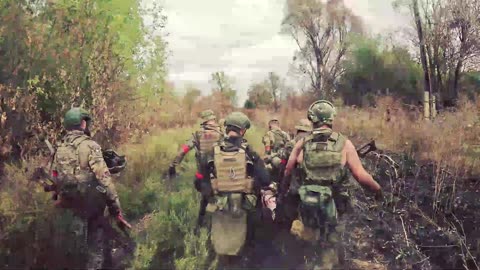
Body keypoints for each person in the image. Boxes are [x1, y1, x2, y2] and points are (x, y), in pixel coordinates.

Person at [284, 100, 383, 269]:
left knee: (308, 241)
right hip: (335, 206)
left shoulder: (302, 143)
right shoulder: (344, 143)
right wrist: (377, 190)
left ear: (312, 119)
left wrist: (285, 193)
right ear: (331, 119)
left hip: (308, 203)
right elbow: (360, 175)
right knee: (330, 244)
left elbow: (288, 170)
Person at [51, 107, 130, 270]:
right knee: (95, 248)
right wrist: (116, 209)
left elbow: (54, 176)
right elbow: (105, 180)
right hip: (92, 206)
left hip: (70, 205)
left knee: (75, 247)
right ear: (83, 123)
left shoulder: (60, 148)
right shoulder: (90, 146)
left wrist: (59, 197)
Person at [168, 109, 223, 229]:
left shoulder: (197, 134)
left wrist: (173, 165)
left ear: (204, 120)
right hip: (221, 178)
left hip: (203, 177)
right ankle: (205, 226)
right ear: (213, 119)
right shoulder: (223, 134)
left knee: (207, 200)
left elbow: (183, 150)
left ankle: (203, 228)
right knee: (211, 200)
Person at [262, 118, 290, 182]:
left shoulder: (268, 134)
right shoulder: (285, 134)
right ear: (278, 126)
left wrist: (267, 157)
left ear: (270, 126)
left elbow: (267, 148)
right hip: (284, 159)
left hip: (274, 158)